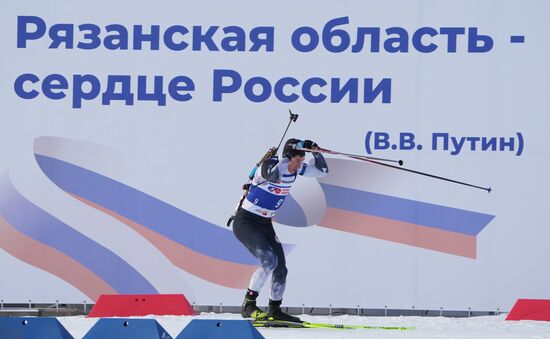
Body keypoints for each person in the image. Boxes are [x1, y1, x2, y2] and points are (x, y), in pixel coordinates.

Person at [232, 138, 328, 322]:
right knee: (269, 260)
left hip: (265, 223)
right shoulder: (270, 165)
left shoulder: (297, 169)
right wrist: (288, 153)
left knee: (281, 269)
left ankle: (274, 310)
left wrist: (315, 151)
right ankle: (248, 305)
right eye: (296, 160)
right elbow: (274, 176)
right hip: (246, 222)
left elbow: (322, 171)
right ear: (287, 157)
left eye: (302, 160)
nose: (299, 165)